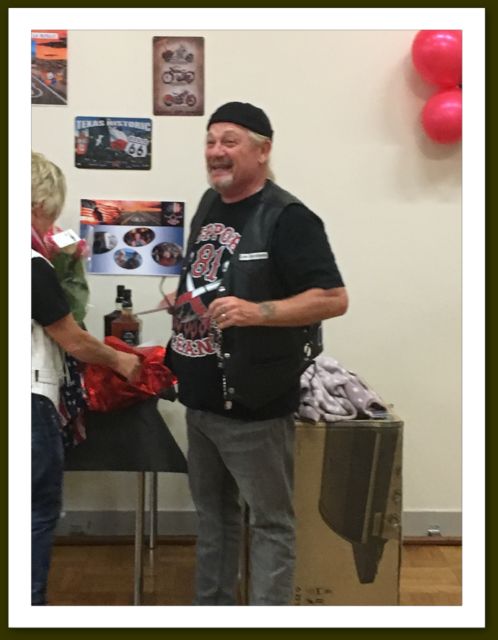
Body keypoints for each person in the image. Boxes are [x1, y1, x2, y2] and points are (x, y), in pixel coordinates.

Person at [165, 102, 348, 605]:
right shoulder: (210, 202)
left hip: (254, 407)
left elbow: (333, 299)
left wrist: (257, 312)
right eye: (210, 141)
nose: (215, 151)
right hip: (200, 398)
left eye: (230, 141)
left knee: (270, 523)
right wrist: (184, 304)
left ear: (263, 150)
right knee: (214, 517)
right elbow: (208, 278)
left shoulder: (289, 218)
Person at [31, 151, 141, 605]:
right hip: (29, 401)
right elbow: (72, 338)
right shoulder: (29, 262)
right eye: (49, 214)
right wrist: (120, 362)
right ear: (38, 203)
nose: (50, 225)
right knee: (34, 514)